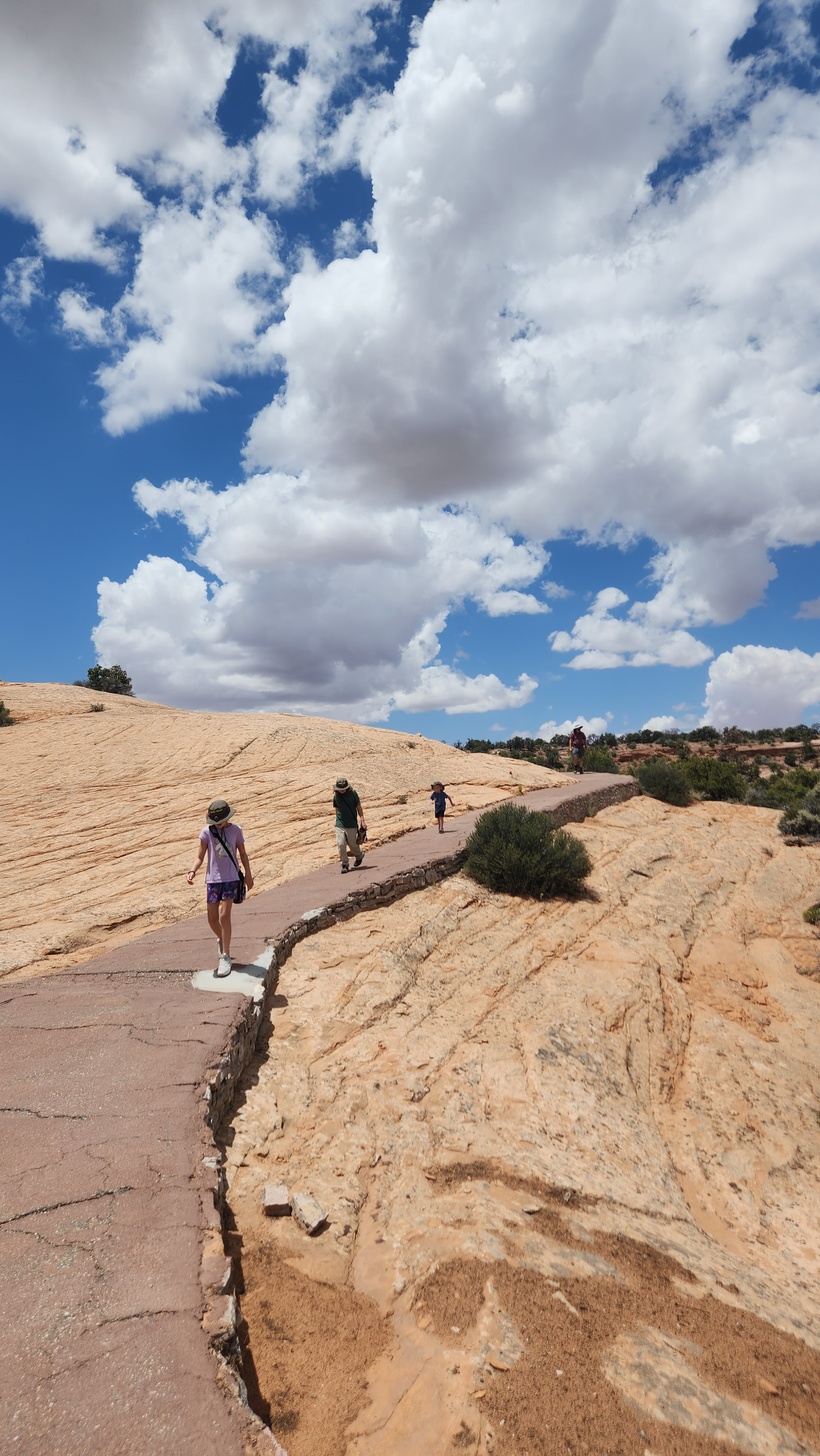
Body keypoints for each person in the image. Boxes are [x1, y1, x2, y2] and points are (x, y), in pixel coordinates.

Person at [187, 798, 254, 977]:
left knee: (224, 915)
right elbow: (200, 856)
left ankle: (225, 955)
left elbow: (243, 854)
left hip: (231, 878)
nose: (218, 824)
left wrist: (248, 874)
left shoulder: (236, 830)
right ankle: (223, 940)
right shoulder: (206, 832)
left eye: (221, 820)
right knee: (212, 918)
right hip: (213, 879)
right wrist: (192, 871)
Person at [333, 776, 367, 873]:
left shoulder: (353, 794)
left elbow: (359, 807)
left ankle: (359, 856)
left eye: (343, 789)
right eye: (340, 789)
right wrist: (337, 821)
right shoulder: (336, 796)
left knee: (352, 845)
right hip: (340, 824)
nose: (342, 791)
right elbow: (337, 809)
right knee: (341, 844)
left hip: (351, 823)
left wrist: (362, 820)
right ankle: (345, 864)